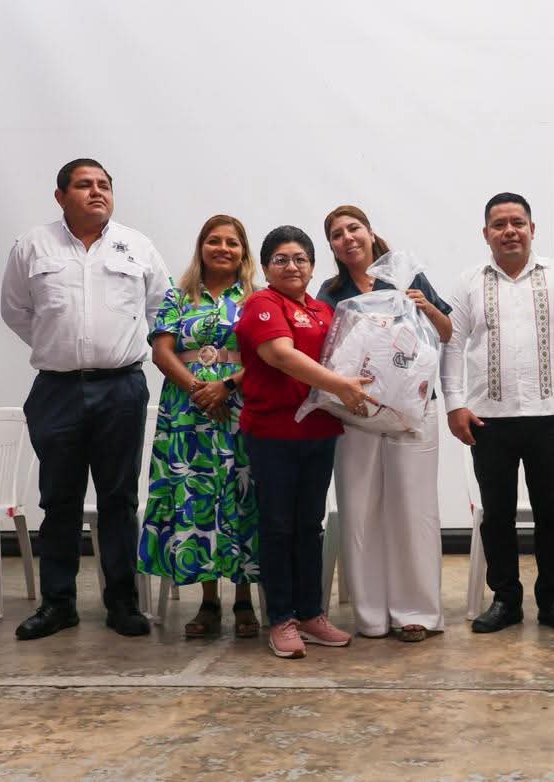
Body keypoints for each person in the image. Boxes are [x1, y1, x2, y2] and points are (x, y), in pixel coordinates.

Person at [0, 158, 170, 640]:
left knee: (118, 497)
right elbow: (16, 311)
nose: (97, 192)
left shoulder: (137, 246)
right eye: (84, 185)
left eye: (104, 185)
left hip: (121, 387)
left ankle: (122, 603)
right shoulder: (33, 246)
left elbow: (161, 306)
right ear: (61, 196)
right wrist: (62, 346)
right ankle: (58, 604)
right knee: (60, 499)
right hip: (56, 390)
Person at [440, 192, 554, 637]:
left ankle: (553, 600)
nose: (509, 230)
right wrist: (454, 403)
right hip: (488, 418)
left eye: (517, 222)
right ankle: (505, 600)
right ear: (486, 233)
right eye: (499, 224)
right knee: (497, 514)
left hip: (551, 415)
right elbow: (451, 342)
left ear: (533, 228)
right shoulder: (469, 281)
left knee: (551, 513)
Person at [234, 225, 371, 659]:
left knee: (309, 527)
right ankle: (281, 620)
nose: (292, 266)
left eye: (300, 259)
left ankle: (312, 614)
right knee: (277, 527)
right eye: (281, 259)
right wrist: (342, 385)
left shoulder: (321, 309)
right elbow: (279, 354)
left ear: (312, 266)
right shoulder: (261, 303)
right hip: (273, 433)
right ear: (267, 266)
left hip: (317, 432)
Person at [318, 205, 452, 642]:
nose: (347, 238)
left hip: (414, 411)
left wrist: (425, 307)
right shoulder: (331, 291)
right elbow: (325, 354)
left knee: (414, 511)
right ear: (332, 246)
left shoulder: (407, 277)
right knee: (360, 511)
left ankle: (416, 614)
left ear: (371, 232)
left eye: (353, 228)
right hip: (356, 415)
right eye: (337, 234)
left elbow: (446, 332)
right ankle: (371, 615)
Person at [137, 215, 260, 639]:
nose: (223, 248)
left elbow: (265, 354)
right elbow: (161, 351)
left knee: (241, 496)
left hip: (240, 409)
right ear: (201, 247)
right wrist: (197, 388)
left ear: (243, 251)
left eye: (232, 242)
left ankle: (245, 598)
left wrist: (224, 387)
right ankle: (208, 602)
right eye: (214, 241)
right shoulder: (177, 295)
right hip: (188, 414)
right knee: (197, 498)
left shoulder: (256, 300)